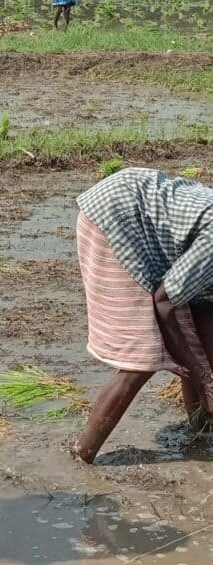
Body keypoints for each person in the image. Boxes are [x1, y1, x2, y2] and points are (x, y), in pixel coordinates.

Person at [70, 168, 213, 463]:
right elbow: (165, 302)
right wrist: (205, 380)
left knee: (199, 344)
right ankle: (82, 455)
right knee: (143, 357)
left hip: (153, 230)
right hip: (117, 218)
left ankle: (202, 437)